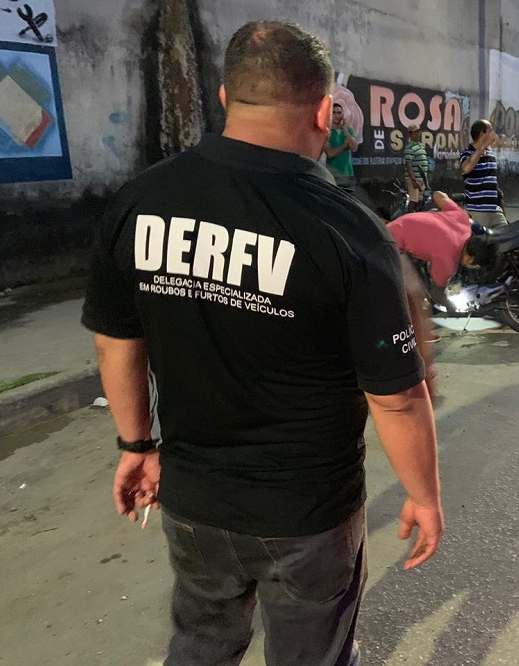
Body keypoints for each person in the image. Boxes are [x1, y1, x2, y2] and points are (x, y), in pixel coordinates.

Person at [81, 21, 443, 666]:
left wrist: (136, 445)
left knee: (202, 647)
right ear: (325, 112)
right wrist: (423, 495)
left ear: (225, 97)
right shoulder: (349, 231)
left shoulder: (139, 201)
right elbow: (396, 396)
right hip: (308, 515)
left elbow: (117, 343)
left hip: (193, 502)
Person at [387, 191, 497, 312]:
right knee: (413, 293)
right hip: (390, 245)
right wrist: (453, 309)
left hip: (396, 225)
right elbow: (436, 295)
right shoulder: (448, 260)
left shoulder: (463, 218)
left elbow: (438, 195)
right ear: (471, 260)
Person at [459, 119, 508, 228]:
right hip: (476, 211)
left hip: (495, 211)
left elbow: (492, 182)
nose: (494, 134)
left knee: (506, 235)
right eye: (491, 130)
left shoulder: (490, 155)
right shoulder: (467, 153)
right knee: (480, 238)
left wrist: (500, 203)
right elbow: (466, 168)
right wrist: (483, 146)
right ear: (482, 133)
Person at [324, 102, 358, 181]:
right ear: (330, 114)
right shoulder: (326, 132)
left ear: (342, 115)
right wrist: (345, 146)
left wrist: (345, 129)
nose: (337, 115)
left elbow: (354, 148)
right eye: (334, 113)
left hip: (348, 173)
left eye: (339, 113)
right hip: (333, 175)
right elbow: (330, 154)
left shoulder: (349, 131)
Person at [404, 124, 430, 211]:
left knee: (419, 200)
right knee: (413, 200)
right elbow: (408, 165)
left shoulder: (420, 146)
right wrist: (413, 180)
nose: (417, 134)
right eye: (415, 132)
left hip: (421, 178)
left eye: (418, 131)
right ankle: (408, 216)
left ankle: (415, 216)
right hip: (414, 179)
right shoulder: (409, 148)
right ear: (410, 134)